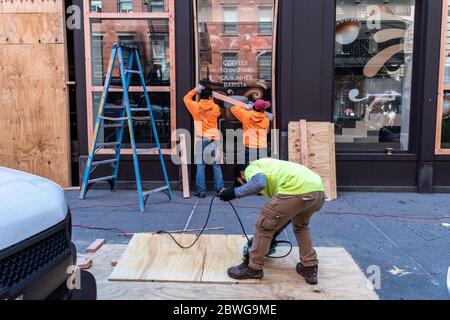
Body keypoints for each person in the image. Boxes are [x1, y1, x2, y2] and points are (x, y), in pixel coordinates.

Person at [218, 158, 325, 285]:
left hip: (296, 189)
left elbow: (258, 183)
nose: (245, 186)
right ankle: (309, 267)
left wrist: (234, 192)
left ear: (242, 174)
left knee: (263, 226)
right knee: (301, 226)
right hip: (318, 191)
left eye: (242, 183)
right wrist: (275, 230)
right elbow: (284, 214)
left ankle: (253, 268)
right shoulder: (269, 167)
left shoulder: (251, 167)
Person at [184, 84, 224, 198]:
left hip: (202, 139)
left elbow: (186, 98)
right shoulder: (216, 107)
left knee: (201, 166)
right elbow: (218, 113)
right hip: (214, 138)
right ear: (211, 97)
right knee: (216, 165)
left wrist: (195, 90)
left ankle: (201, 192)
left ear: (201, 97)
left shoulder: (195, 107)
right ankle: (220, 189)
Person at [230, 99, 272, 164]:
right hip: (261, 149)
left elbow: (233, 108)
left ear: (253, 107)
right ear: (263, 110)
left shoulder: (246, 115)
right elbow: (266, 133)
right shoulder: (266, 120)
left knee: (248, 170)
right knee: (261, 170)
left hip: (249, 148)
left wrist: (246, 106)